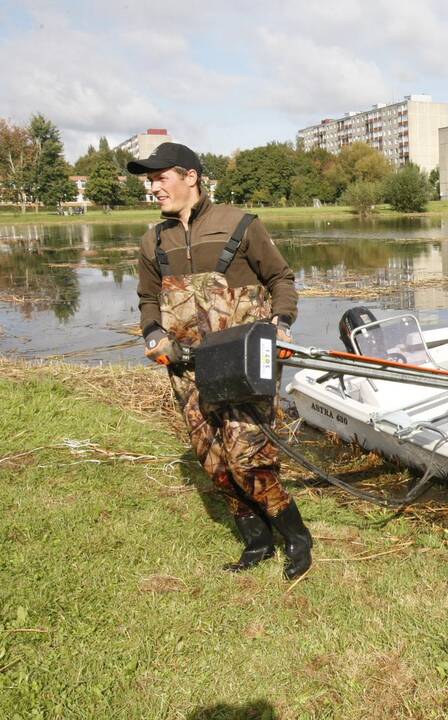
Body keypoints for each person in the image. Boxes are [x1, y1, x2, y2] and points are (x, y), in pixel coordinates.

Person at [130, 142, 313, 579]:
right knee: (213, 461)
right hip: (186, 371)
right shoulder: (154, 239)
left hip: (241, 366)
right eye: (150, 180)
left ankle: (296, 537)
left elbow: (280, 279)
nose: (153, 187)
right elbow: (147, 299)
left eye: (160, 177)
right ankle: (257, 541)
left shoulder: (240, 224)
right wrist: (154, 333)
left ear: (190, 176)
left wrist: (280, 324)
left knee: (249, 458)